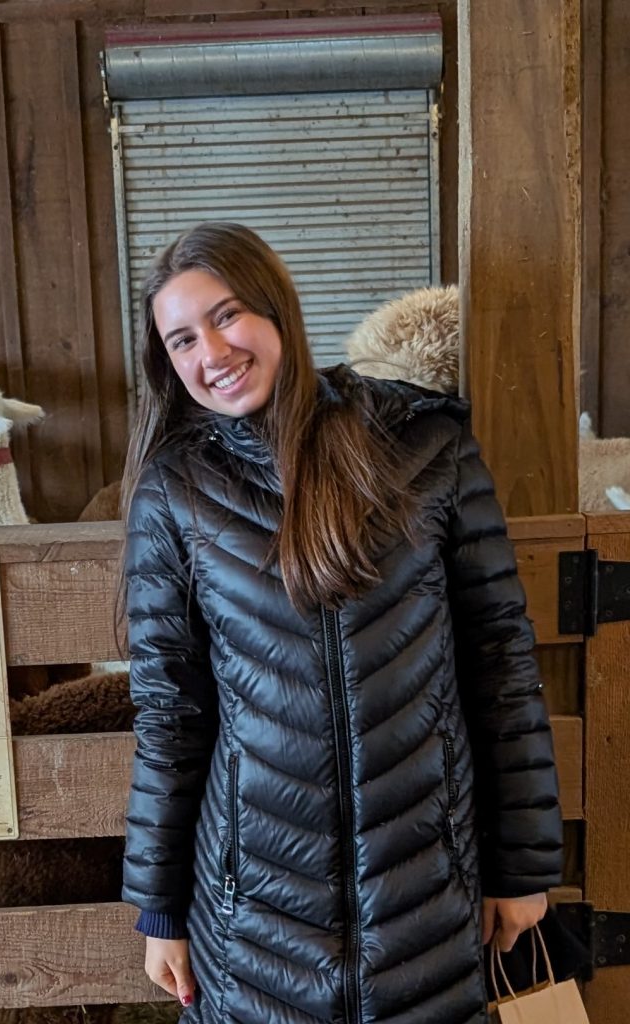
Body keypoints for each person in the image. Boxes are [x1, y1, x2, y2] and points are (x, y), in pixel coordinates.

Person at [120, 222, 563, 1024]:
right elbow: (170, 711)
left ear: (276, 308)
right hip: (252, 908)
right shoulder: (175, 491)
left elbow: (499, 659)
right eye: (181, 339)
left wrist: (522, 864)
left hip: (425, 886)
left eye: (226, 317)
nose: (210, 352)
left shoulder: (423, 444)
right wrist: (159, 907)